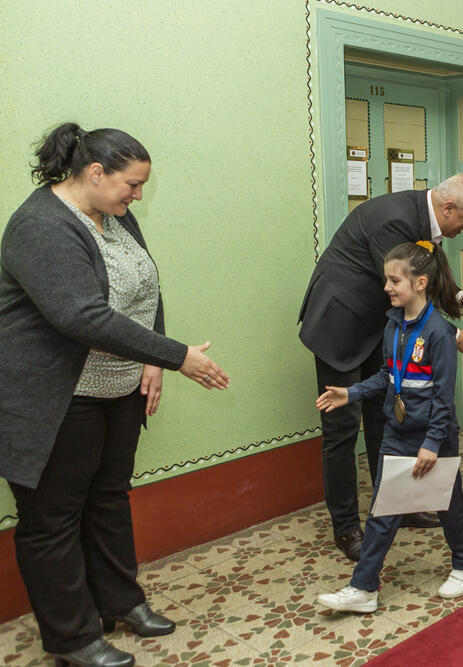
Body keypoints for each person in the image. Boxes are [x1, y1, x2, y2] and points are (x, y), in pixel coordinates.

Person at [0, 123, 229, 667]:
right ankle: (72, 638)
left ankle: (120, 601)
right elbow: (82, 315)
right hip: (56, 398)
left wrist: (151, 358)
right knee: (51, 519)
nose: (137, 196)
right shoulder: (40, 225)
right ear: (95, 173)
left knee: (107, 500)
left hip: (117, 389)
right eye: (132, 184)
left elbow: (146, 290)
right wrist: (176, 355)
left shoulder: (116, 219)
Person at [298, 174, 463, 562]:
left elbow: (426, 274)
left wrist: (461, 298)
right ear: (448, 208)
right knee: (340, 428)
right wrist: (456, 338)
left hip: (377, 327)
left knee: (385, 416)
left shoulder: (424, 219)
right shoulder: (395, 219)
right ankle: (346, 527)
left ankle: (395, 504)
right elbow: (410, 289)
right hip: (340, 326)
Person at [314, 241, 463, 613]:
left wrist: (433, 444)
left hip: (432, 436)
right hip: (398, 430)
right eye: (386, 279)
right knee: (383, 509)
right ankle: (364, 587)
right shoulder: (392, 325)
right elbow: (389, 376)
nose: (387, 287)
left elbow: (443, 395)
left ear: (420, 283)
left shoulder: (438, 333)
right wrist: (350, 393)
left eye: (395, 280)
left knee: (448, 504)